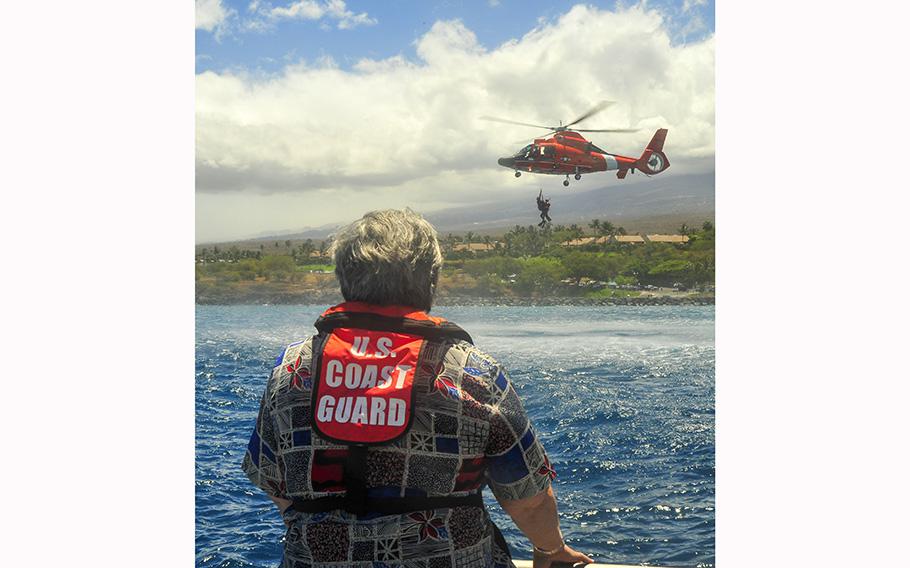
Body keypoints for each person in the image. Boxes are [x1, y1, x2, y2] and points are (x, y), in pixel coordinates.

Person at [243, 209, 592, 568]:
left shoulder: (292, 369)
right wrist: (551, 551)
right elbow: (528, 497)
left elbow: (271, 479)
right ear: (430, 280)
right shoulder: (472, 373)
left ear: (344, 279)